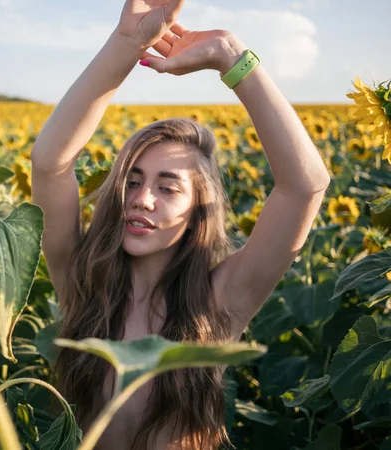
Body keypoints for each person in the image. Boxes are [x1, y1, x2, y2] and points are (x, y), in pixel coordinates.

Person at [30, 1, 331, 449]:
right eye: (133, 181)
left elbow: (305, 186)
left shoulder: (218, 302)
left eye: (168, 188)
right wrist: (126, 44)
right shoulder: (83, 282)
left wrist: (231, 53)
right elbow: (50, 164)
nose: (141, 199)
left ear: (197, 211)